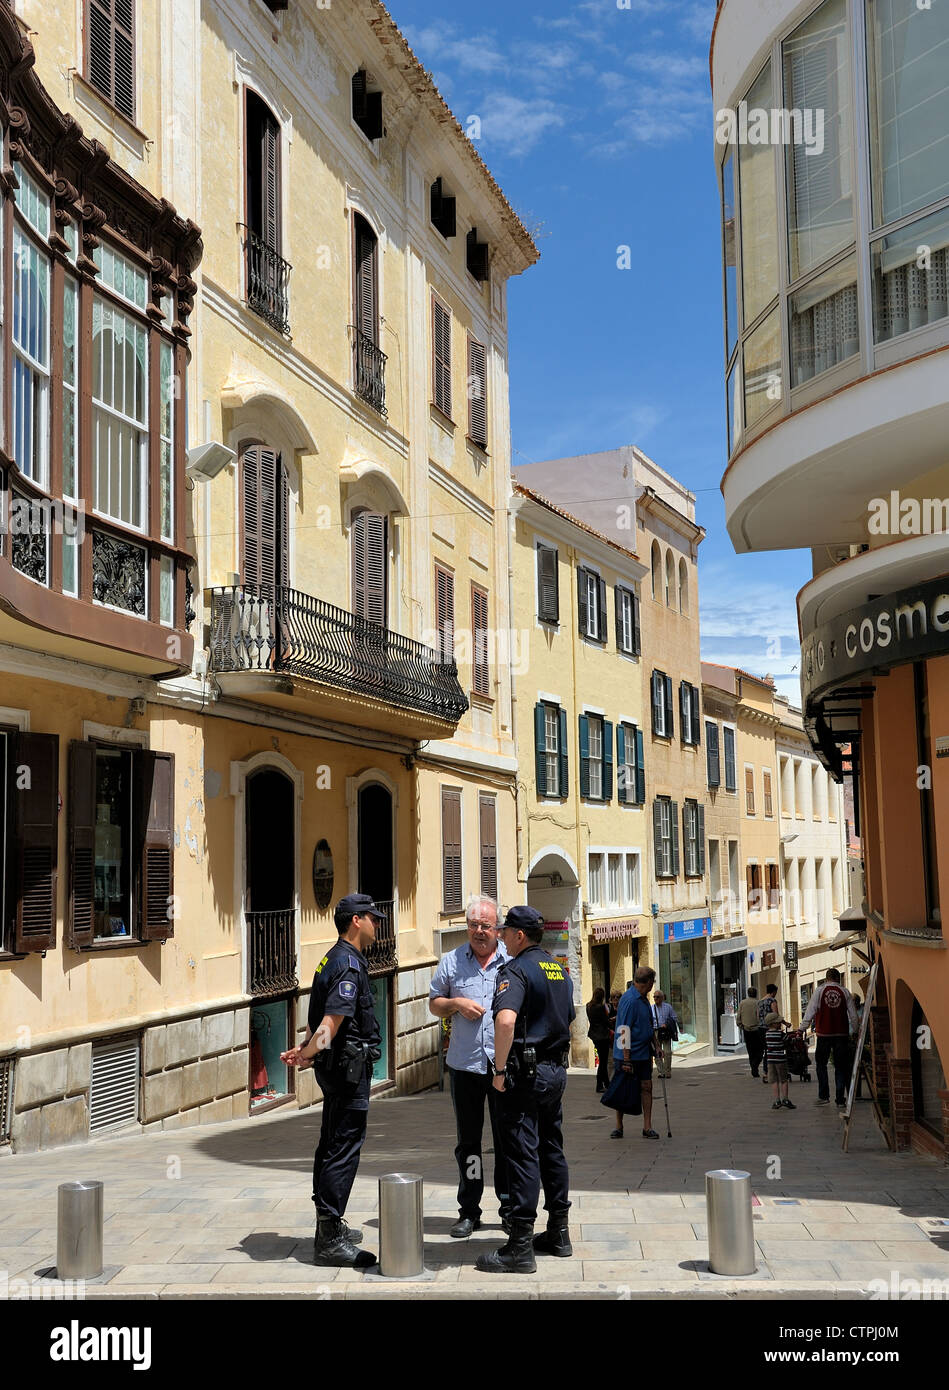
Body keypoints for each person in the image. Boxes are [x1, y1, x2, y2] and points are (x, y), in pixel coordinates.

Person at [281, 893, 382, 1268]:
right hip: (347, 1070)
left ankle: (330, 1223)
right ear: (356, 921)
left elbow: (319, 1019)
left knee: (331, 1141)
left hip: (336, 1065)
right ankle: (329, 1239)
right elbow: (332, 1022)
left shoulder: (332, 957)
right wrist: (308, 1052)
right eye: (372, 917)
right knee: (343, 1145)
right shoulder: (348, 966)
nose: (377, 922)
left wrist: (306, 1050)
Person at [474, 906, 575, 1274]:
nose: (500, 936)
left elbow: (505, 1019)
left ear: (519, 935)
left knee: (521, 1153)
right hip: (555, 1071)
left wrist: (499, 1070)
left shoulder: (514, 970)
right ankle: (559, 1232)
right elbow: (568, 1018)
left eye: (505, 931)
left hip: (524, 1075)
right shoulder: (558, 969)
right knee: (552, 1148)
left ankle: (519, 1246)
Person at [429, 894, 510, 1238]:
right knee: (469, 1143)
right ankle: (470, 1210)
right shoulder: (451, 961)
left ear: (498, 929)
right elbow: (434, 1004)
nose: (479, 931)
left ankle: (508, 1207)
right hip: (464, 1066)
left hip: (501, 1066)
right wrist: (456, 1003)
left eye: (485, 926)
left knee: (507, 1140)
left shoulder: (510, 961)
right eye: (473, 925)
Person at [611, 967, 660, 1140]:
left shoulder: (644, 1000)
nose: (652, 986)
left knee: (647, 1087)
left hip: (644, 1053)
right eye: (652, 982)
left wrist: (656, 1045)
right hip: (628, 1055)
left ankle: (647, 1127)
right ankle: (619, 1126)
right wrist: (626, 1059)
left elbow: (648, 1025)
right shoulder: (629, 1000)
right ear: (647, 982)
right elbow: (624, 1029)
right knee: (622, 1089)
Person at [803, 967, 859, 1107]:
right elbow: (853, 1014)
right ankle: (840, 1099)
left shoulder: (819, 991)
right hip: (841, 1034)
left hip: (824, 1034)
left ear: (827, 978)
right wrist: (856, 1030)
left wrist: (802, 1028)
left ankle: (824, 1095)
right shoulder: (845, 992)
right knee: (840, 1066)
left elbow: (811, 1010)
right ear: (838, 978)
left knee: (821, 1064)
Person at [763, 1008, 795, 1110]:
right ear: (774, 1023)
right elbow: (789, 1040)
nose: (780, 1023)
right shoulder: (780, 1034)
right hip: (781, 1060)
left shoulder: (767, 1034)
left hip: (770, 1060)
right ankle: (785, 1099)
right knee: (784, 1080)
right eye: (778, 1022)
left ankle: (777, 1100)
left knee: (774, 1080)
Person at [586, 987, 611, 1092]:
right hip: (602, 1036)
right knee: (603, 1062)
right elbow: (605, 1021)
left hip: (594, 1035)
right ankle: (600, 1084)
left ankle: (606, 1083)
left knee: (602, 1060)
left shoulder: (588, 1006)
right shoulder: (600, 1007)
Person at [737, 987, 765, 1077]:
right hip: (756, 1029)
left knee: (751, 1050)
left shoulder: (742, 1003)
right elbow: (760, 1016)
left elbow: (739, 1016)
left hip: (746, 1029)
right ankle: (754, 1067)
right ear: (756, 993)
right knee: (760, 1050)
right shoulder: (758, 1003)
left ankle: (754, 1068)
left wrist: (741, 1025)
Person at [651, 990, 679, 1078]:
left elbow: (674, 1017)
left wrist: (666, 1024)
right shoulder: (651, 1008)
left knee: (667, 1052)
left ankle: (667, 1072)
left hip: (666, 1031)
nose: (655, 999)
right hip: (656, 1031)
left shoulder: (668, 1007)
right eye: (654, 997)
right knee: (657, 1053)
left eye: (657, 997)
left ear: (662, 998)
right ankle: (661, 1071)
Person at [757, 983, 779, 1083]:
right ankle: (771, 1072)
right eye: (775, 992)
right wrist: (783, 1024)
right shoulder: (772, 1001)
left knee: (766, 1051)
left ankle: (766, 1072)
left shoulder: (760, 1002)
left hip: (761, 1029)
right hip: (770, 1029)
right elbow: (775, 1015)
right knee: (772, 1050)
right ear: (773, 992)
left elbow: (758, 1016)